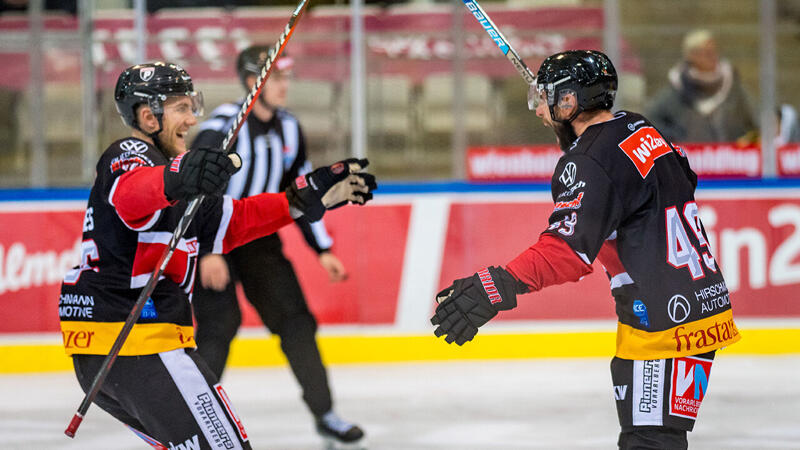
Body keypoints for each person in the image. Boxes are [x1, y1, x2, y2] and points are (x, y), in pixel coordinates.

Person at [430, 50, 740, 449]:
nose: (539, 109)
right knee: (653, 437)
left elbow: (567, 253)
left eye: (544, 98)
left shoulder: (590, 161)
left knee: (649, 441)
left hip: (663, 323)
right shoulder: (638, 126)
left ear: (569, 102)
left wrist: (497, 285)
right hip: (698, 303)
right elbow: (681, 177)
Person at [58, 61, 376, 449]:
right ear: (148, 116)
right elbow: (131, 194)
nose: (192, 118)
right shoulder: (131, 153)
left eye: (193, 106)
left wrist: (299, 199)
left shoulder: (172, 176)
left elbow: (235, 220)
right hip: (139, 346)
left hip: (113, 350)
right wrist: (179, 175)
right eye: (181, 108)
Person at [190, 46, 365, 447]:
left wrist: (322, 249)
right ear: (254, 82)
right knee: (219, 325)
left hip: (259, 238)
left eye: (287, 78)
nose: (286, 86)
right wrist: (209, 250)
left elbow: (301, 193)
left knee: (296, 322)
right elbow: (195, 196)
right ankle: (193, 422)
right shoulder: (220, 129)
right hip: (215, 236)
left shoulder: (289, 128)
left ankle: (326, 414)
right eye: (278, 79)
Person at [646, 29, 756, 143]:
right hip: (691, 157)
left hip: (730, 156)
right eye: (707, 53)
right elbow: (651, 120)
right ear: (692, 56)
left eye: (714, 52)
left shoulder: (733, 88)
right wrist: (675, 138)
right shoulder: (676, 91)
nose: (713, 57)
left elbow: (757, 116)